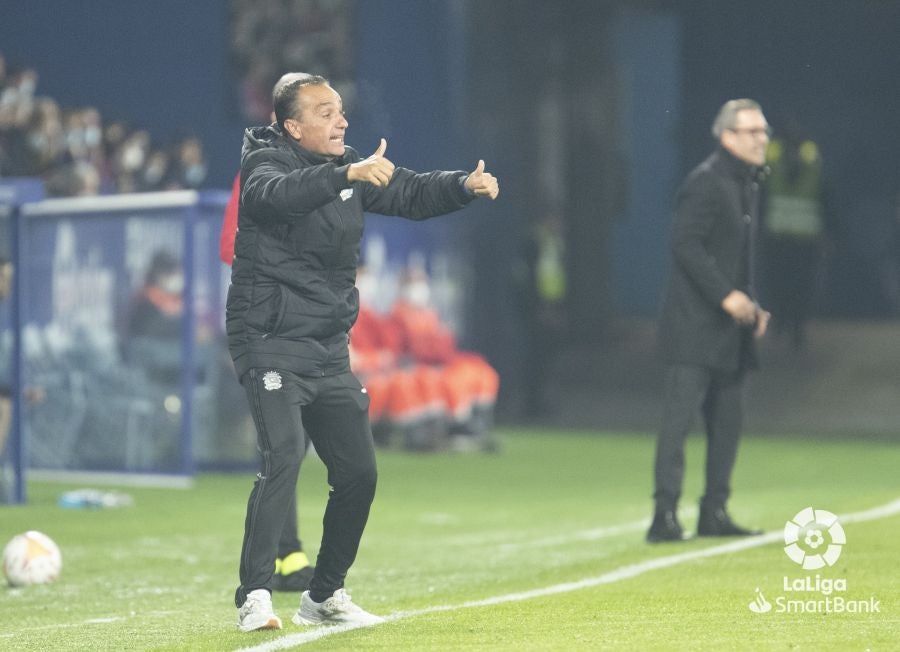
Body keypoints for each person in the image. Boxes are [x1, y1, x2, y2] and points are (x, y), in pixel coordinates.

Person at [226, 72, 498, 631]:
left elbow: (409, 191)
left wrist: (460, 185)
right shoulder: (264, 165)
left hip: (326, 346)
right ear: (291, 125)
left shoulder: (348, 166)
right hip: (270, 339)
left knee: (359, 474)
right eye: (325, 113)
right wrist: (342, 173)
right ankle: (254, 595)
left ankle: (323, 595)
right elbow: (277, 198)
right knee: (282, 458)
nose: (341, 121)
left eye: (341, 111)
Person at [647, 99, 771, 543]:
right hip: (693, 327)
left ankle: (713, 511)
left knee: (727, 425)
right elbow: (686, 245)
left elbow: (735, 256)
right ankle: (664, 516)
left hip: (730, 332)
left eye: (763, 131)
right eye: (753, 131)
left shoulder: (745, 183)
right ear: (727, 137)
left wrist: (752, 303)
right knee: (678, 424)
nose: (762, 139)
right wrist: (726, 297)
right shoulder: (706, 182)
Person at [220, 172, 317, 594]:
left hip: (313, 331)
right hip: (270, 331)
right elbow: (230, 246)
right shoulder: (258, 174)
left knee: (295, 444)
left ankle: (289, 557)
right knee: (283, 446)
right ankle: (281, 561)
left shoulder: (330, 175)